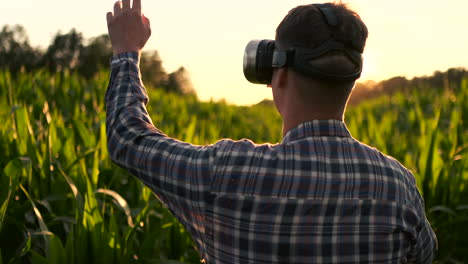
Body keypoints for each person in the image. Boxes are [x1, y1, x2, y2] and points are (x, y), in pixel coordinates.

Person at [105, 1, 437, 263]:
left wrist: (126, 51)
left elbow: (127, 136)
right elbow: (423, 255)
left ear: (278, 76)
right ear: (351, 82)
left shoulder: (225, 174)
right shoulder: (398, 188)